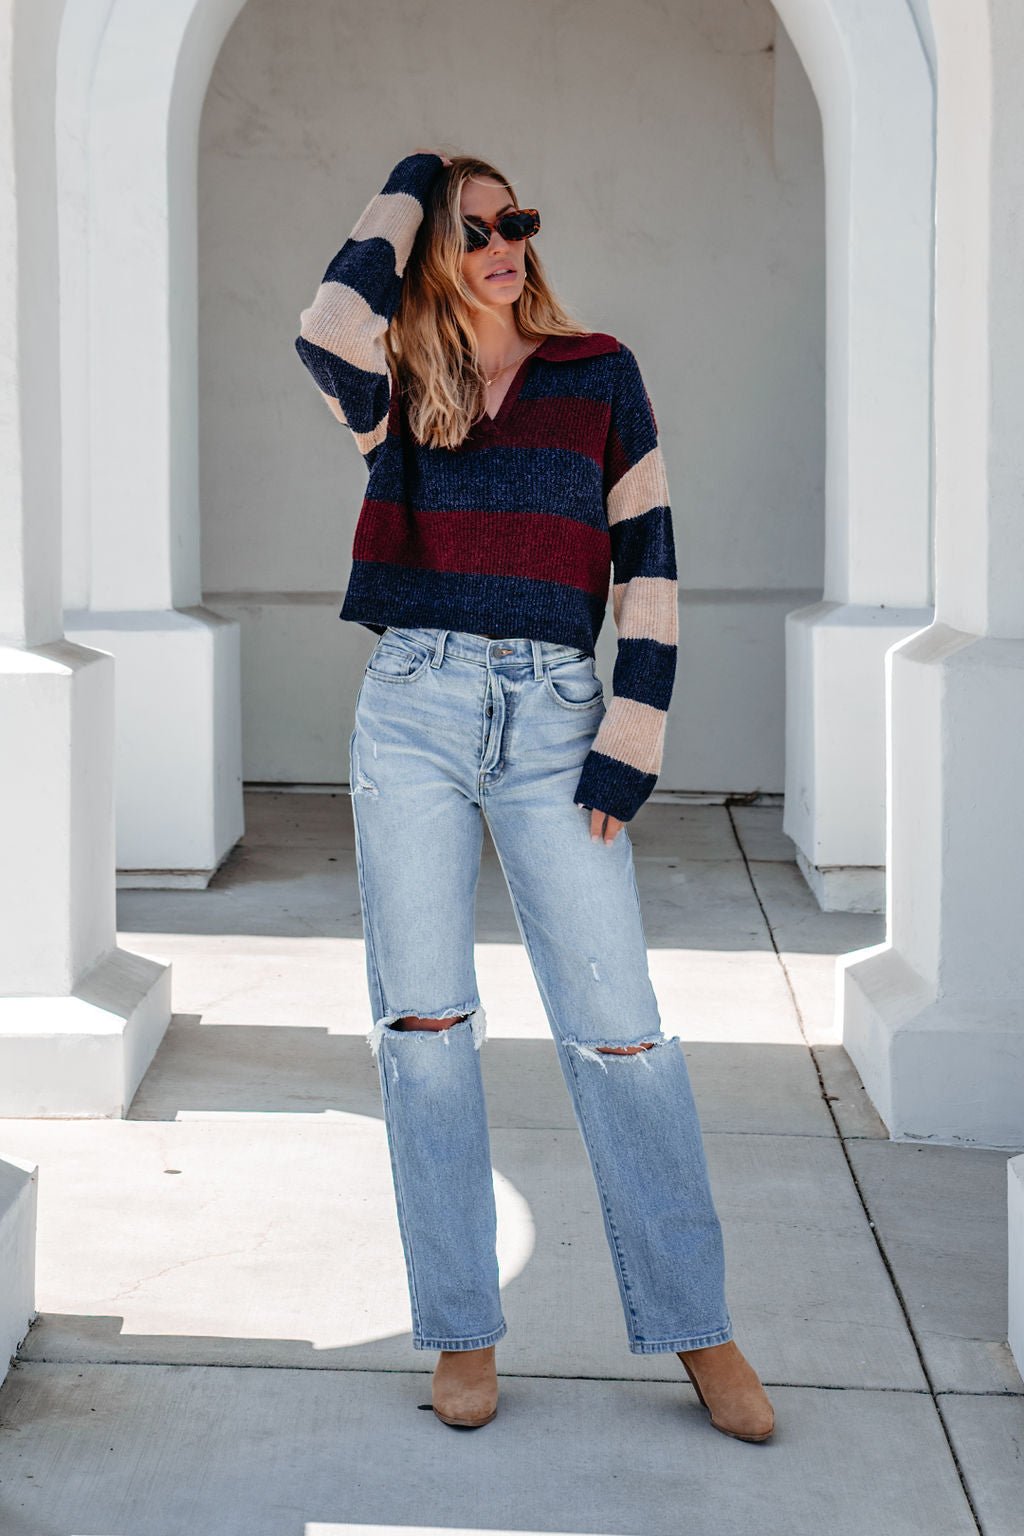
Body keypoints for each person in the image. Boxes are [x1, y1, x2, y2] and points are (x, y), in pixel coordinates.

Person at [294, 148, 774, 1442]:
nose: (507, 243)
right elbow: (325, 319)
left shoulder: (595, 374)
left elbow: (651, 561)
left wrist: (631, 738)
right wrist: (417, 176)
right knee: (426, 1030)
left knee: (621, 1029)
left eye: (517, 221)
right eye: (477, 227)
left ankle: (699, 1324)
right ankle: (463, 1331)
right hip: (415, 707)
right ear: (434, 250)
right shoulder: (396, 382)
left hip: (558, 716)